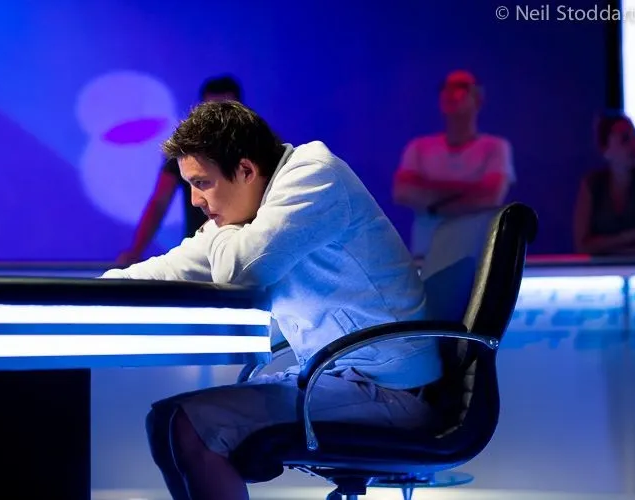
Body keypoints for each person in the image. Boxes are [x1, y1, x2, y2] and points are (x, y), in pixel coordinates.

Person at [101, 101, 442, 500]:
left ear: (246, 170)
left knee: (190, 425)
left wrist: (221, 232)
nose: (194, 200)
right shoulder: (252, 214)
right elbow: (171, 268)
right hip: (338, 379)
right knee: (164, 421)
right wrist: (93, 292)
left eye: (202, 183)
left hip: (393, 392)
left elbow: (241, 271)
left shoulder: (313, 176)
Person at [116, 75, 243, 266]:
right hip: (198, 256)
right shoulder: (185, 148)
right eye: (212, 111)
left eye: (226, 111)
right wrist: (136, 251)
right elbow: (159, 202)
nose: (219, 120)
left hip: (246, 252)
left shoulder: (260, 147)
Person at [392, 70, 515, 257]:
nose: (451, 93)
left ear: (478, 99)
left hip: (476, 257)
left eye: (461, 87)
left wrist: (431, 199)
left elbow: (490, 197)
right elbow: (403, 193)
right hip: (426, 256)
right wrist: (467, 191)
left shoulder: (496, 147)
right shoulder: (418, 147)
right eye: (446, 88)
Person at [573, 111, 635, 255]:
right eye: (625, 139)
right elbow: (582, 246)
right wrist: (627, 238)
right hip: (604, 270)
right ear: (605, 149)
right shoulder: (592, 184)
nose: (634, 145)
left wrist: (607, 249)